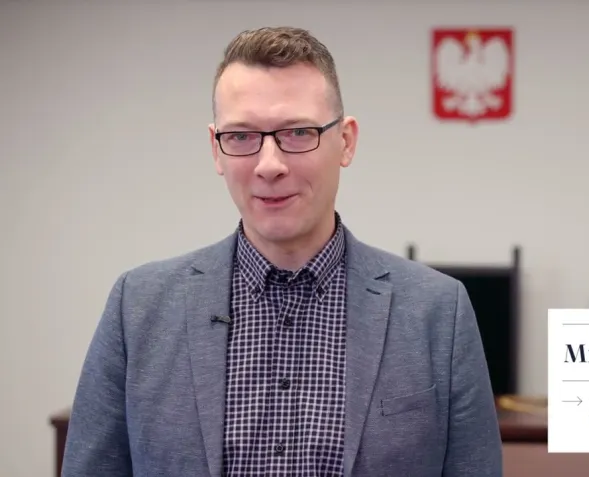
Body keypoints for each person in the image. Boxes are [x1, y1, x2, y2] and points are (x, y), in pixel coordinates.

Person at [61, 26, 503, 477]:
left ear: (346, 141)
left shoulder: (438, 312)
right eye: (241, 137)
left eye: (298, 132)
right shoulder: (137, 308)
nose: (269, 165)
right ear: (216, 150)